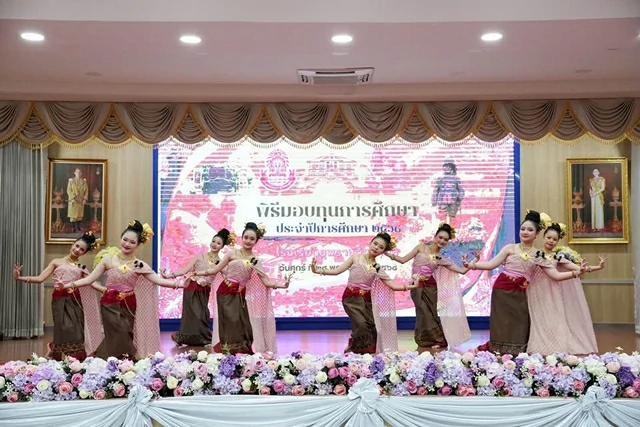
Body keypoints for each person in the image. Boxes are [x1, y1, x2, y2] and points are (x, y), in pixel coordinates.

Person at [462, 210, 586, 355]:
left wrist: (575, 273)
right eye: (523, 229)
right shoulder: (510, 248)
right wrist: (472, 265)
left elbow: (555, 275)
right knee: (501, 322)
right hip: (502, 290)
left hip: (520, 292)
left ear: (537, 234)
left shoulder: (538, 255)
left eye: (530, 230)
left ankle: (516, 352)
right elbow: (491, 264)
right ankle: (498, 351)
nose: (525, 232)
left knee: (521, 322)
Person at [61, 220, 187, 359]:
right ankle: (127, 357)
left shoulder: (139, 265)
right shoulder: (108, 259)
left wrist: (180, 285)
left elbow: (157, 280)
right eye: (125, 239)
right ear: (121, 238)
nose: (127, 244)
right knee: (118, 331)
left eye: (132, 242)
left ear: (138, 245)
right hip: (109, 303)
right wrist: (68, 285)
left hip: (129, 303)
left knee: (125, 333)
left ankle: (109, 360)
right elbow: (89, 279)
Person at [310, 232, 419, 354]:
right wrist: (317, 270)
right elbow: (337, 271)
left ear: (383, 252)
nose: (376, 248)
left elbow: (392, 286)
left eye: (381, 247)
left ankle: (361, 349)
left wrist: (412, 286)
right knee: (361, 324)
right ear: (370, 243)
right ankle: (357, 350)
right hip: (351, 299)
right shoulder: (355, 258)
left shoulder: (377, 267)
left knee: (372, 326)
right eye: (375, 243)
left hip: (366, 301)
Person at [193, 222, 292, 355]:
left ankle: (240, 352)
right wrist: (198, 273)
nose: (248, 241)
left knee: (243, 324)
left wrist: (283, 285)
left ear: (256, 241)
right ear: (242, 237)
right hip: (225, 291)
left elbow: (266, 281)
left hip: (240, 294)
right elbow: (215, 270)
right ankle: (228, 351)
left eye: (252, 239)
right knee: (230, 321)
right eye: (246, 237)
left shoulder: (254, 260)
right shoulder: (232, 254)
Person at [387, 223, 476, 352]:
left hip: (430, 287)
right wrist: (389, 254)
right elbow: (403, 260)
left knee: (431, 313)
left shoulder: (440, 258)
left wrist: (471, 263)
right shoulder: (421, 247)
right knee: (422, 312)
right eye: (440, 237)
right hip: (416, 285)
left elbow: (461, 271)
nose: (442, 241)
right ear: (435, 237)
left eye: (445, 239)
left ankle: (439, 340)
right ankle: (426, 339)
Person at [13, 232, 102, 360]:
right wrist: (19, 277)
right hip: (59, 299)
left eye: (82, 249)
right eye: (77, 246)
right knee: (63, 328)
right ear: (73, 244)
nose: (77, 250)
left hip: (75, 300)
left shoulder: (81, 267)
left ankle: (74, 357)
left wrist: (105, 290)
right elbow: (40, 278)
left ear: (84, 253)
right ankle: (58, 353)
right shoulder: (56, 262)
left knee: (77, 329)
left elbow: (92, 282)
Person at [527, 221, 605, 355]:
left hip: (553, 292)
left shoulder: (557, 257)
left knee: (555, 319)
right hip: (536, 291)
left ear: (557, 242)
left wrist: (598, 267)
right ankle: (539, 348)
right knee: (539, 320)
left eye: (554, 239)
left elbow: (579, 268)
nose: (551, 241)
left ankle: (555, 348)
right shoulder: (536, 255)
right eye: (549, 237)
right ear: (543, 237)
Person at [162, 228, 235, 346]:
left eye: (218, 243)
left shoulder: (221, 262)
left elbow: (228, 275)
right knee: (192, 315)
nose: (214, 244)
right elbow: (186, 269)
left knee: (202, 315)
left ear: (222, 246)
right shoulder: (200, 256)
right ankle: (184, 337)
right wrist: (169, 275)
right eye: (213, 241)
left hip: (204, 290)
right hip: (192, 288)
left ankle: (200, 338)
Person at [432, 159, 464, 224]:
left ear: (452, 168)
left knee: (452, 218)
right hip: (442, 202)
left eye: (449, 166)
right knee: (442, 219)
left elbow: (461, 190)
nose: (447, 168)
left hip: (453, 202)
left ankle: (452, 230)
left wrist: (459, 198)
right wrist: (434, 201)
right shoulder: (440, 179)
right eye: (446, 166)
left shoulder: (456, 179)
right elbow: (436, 191)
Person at [67, 168, 88, 232]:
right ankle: (73, 227)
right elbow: (68, 190)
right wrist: (72, 198)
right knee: (73, 215)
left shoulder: (84, 182)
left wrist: (85, 199)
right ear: (74, 173)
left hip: (80, 200)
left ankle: (78, 226)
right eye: (77, 172)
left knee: (79, 215)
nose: (78, 173)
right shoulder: (71, 181)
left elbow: (86, 191)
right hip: (73, 200)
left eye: (79, 172)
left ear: (81, 173)